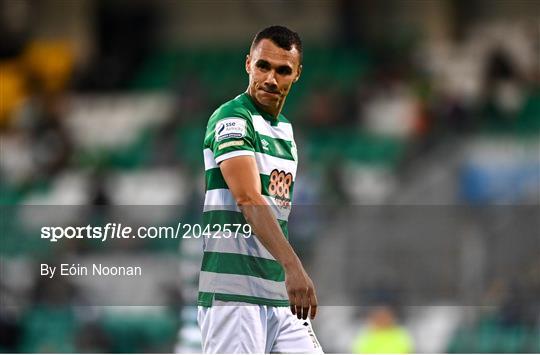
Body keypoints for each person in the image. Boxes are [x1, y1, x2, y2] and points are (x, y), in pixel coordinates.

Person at [197, 25, 323, 353]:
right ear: (248, 64)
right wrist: (293, 266)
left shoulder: (285, 133)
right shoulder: (232, 119)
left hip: (276, 291)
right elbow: (248, 198)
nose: (270, 78)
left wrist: (284, 270)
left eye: (283, 70)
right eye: (263, 66)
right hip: (234, 291)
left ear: (296, 75)